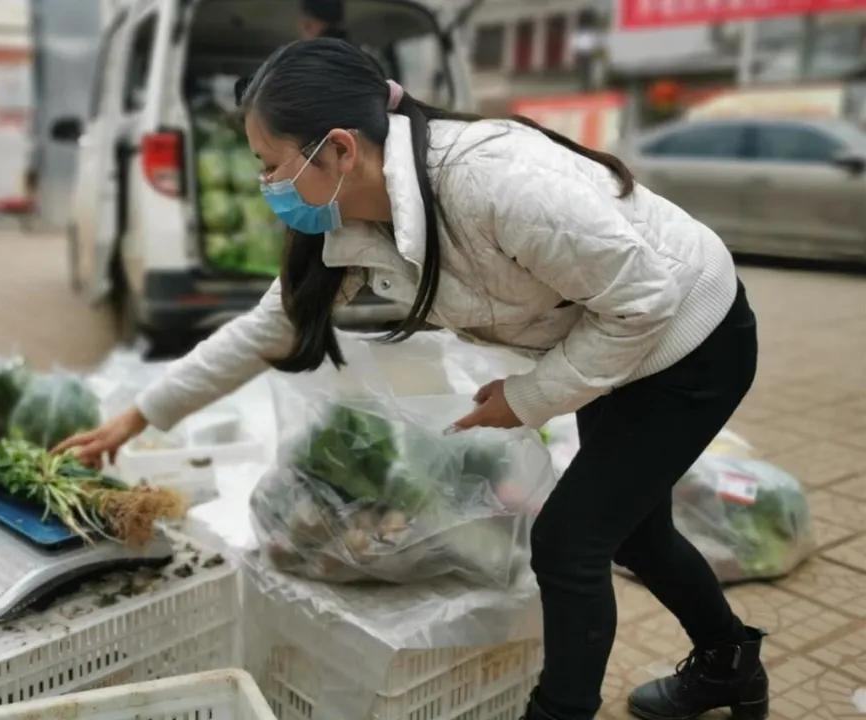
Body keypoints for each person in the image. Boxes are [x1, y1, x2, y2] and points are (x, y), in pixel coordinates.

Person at [56, 39, 766, 720]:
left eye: (270, 165)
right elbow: (270, 327)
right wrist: (139, 415)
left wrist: (528, 398)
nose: (266, 185)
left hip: (688, 341)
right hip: (615, 349)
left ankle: (563, 710)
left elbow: (644, 301)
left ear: (339, 149)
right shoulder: (356, 220)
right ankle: (729, 662)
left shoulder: (496, 181)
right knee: (632, 533)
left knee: (568, 543)